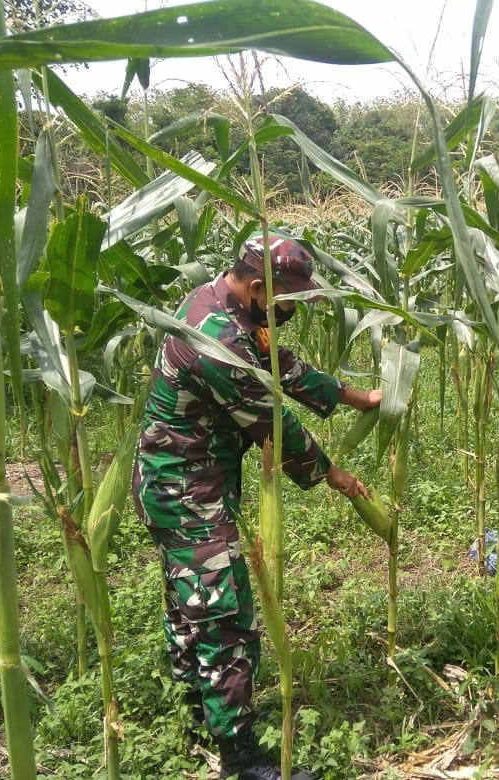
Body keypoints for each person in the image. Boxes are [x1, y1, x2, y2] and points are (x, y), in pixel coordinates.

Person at [132, 233, 380, 780]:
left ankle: (201, 713)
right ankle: (241, 757)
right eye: (289, 299)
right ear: (260, 288)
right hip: (184, 491)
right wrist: (332, 474)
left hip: (187, 483)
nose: (292, 309)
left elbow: (279, 362)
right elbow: (272, 422)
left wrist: (349, 395)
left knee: (189, 603)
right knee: (224, 616)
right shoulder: (213, 337)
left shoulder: (230, 306)